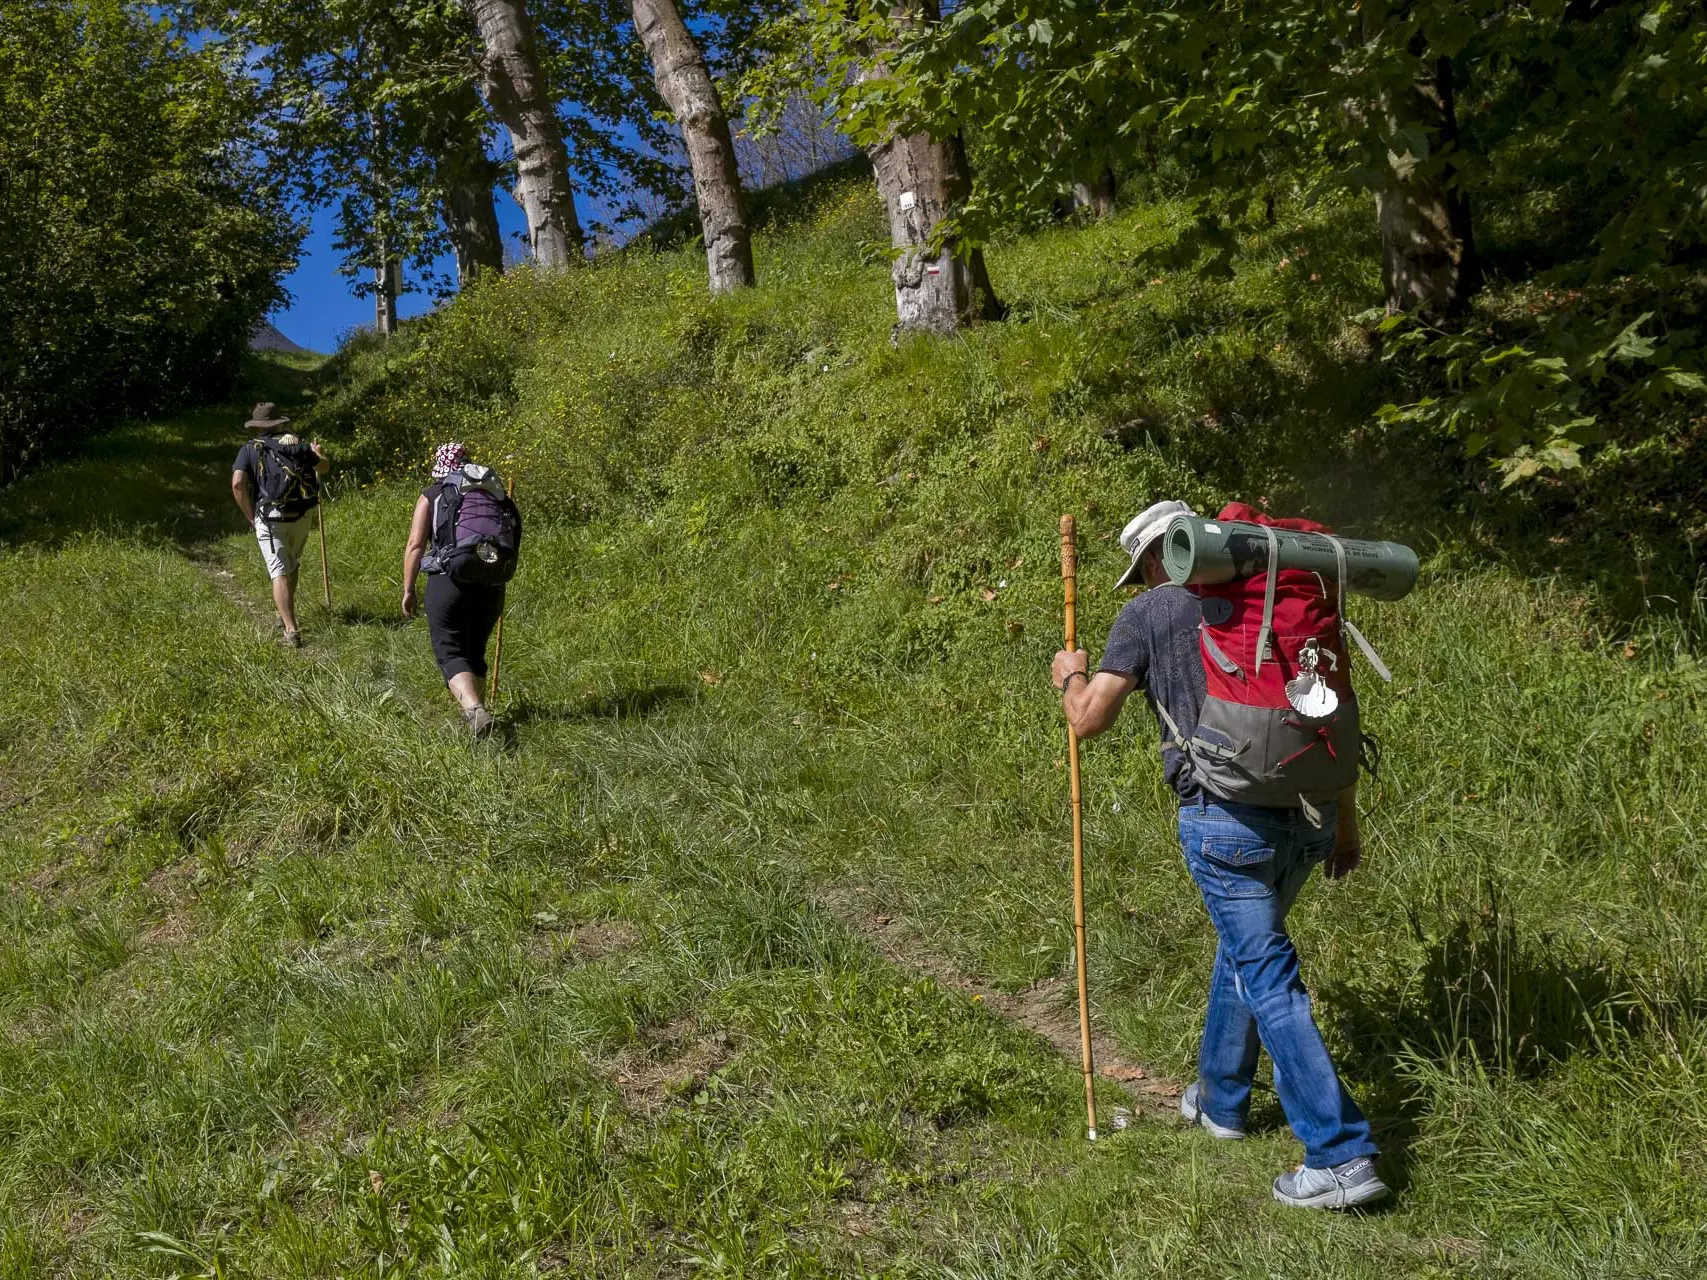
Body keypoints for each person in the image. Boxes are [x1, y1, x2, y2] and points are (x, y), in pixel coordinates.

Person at [1051, 498, 1388, 1211]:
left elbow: (1088, 721)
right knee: (1244, 953)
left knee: (1266, 974)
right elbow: (1327, 711)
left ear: (1155, 558)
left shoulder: (1148, 614)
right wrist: (1346, 823)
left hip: (1224, 818)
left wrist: (1067, 676)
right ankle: (1222, 1102)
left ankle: (1339, 1153)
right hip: (1312, 814)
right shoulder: (1276, 589)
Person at [401, 443, 518, 740]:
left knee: (450, 650)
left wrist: (408, 589)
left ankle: (475, 710)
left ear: (440, 466)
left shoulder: (434, 494)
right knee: (475, 651)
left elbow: (415, 545)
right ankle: (477, 721)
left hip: (448, 580)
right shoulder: (495, 492)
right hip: (492, 582)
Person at [231, 403, 329, 648]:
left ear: (257, 427)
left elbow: (237, 484)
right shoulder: (297, 444)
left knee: (279, 571)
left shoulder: (249, 449)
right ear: (280, 423)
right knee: (291, 564)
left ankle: (291, 629)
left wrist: (251, 516)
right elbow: (323, 467)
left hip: (270, 517)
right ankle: (283, 614)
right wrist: (319, 452)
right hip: (302, 514)